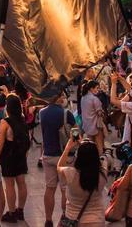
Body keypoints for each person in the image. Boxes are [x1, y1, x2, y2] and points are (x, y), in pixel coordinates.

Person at [39, 91, 75, 227]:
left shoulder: (42, 113)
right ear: (58, 98)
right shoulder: (66, 113)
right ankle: (65, 217)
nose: (64, 98)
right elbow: (76, 133)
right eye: (63, 96)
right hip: (64, 156)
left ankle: (48, 220)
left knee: (50, 188)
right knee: (65, 189)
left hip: (48, 155)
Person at [57, 137, 106, 227]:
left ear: (78, 157)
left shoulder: (71, 173)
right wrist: (88, 147)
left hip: (72, 219)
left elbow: (59, 166)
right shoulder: (103, 174)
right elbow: (102, 158)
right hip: (97, 220)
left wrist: (68, 147)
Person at [0, 93, 29, 222]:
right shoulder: (23, 120)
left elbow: (0, 142)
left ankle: (11, 212)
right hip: (20, 155)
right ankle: (21, 210)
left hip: (8, 155)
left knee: (9, 185)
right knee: (21, 183)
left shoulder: (5, 122)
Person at [79, 81, 105, 153]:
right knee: (100, 146)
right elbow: (99, 113)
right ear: (91, 88)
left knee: (91, 147)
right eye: (97, 88)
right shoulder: (94, 99)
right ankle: (101, 158)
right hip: (96, 125)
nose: (98, 90)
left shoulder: (83, 98)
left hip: (87, 125)